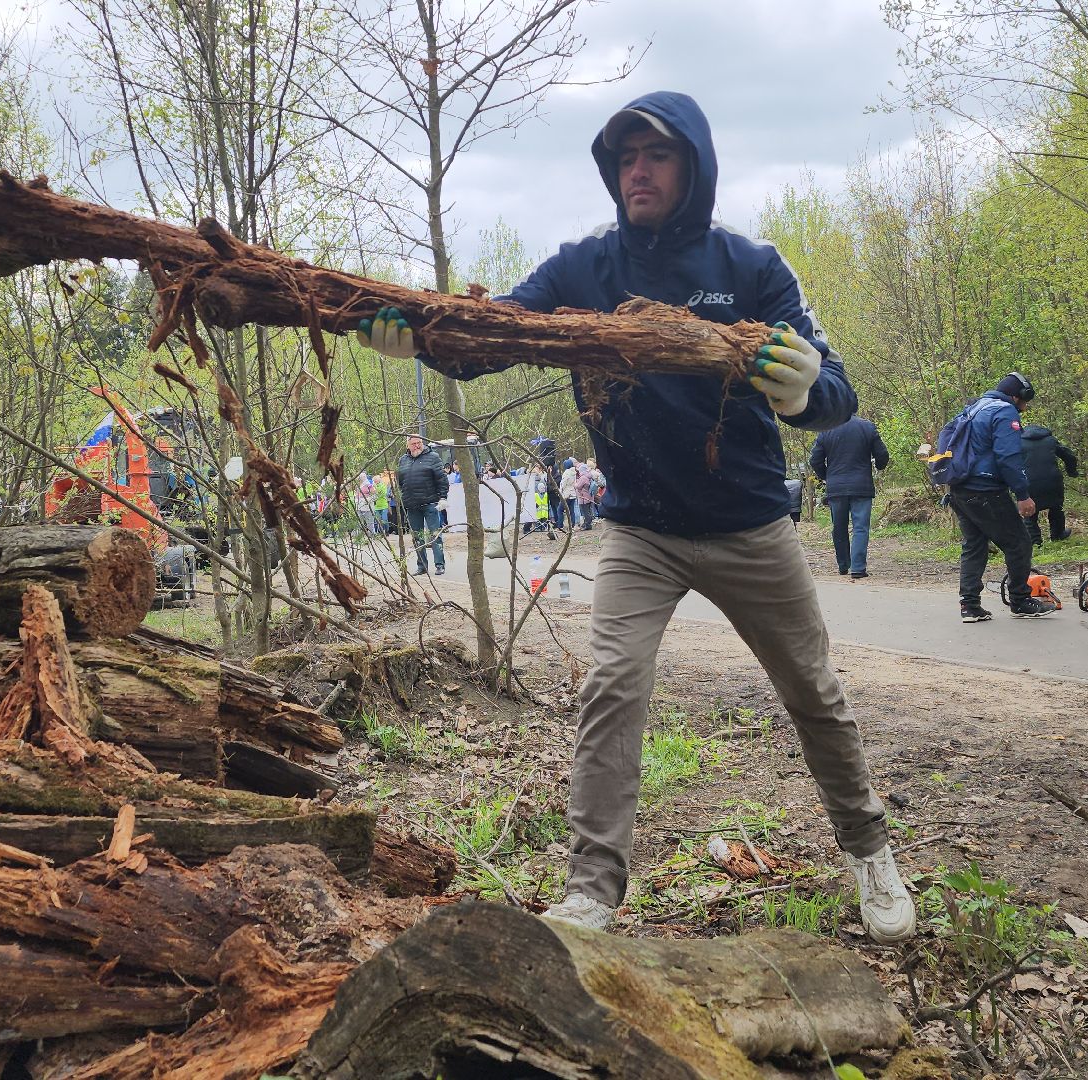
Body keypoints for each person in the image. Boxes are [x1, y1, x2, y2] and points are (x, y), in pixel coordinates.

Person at [353, 91, 914, 943]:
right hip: (640, 529)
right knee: (612, 688)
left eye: (655, 154)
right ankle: (591, 891)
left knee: (814, 690)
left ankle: (869, 850)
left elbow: (835, 390)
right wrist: (424, 340)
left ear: (694, 164)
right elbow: (493, 336)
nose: (637, 171)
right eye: (624, 159)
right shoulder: (584, 269)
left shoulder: (751, 266)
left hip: (749, 525)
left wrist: (806, 388)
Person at [942, 373, 1055, 623]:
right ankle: (1020, 600)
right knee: (1019, 542)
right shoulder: (1004, 412)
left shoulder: (974, 408)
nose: (1026, 407)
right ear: (1018, 396)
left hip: (959, 488)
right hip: (986, 489)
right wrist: (1023, 494)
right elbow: (1008, 457)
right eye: (1025, 401)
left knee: (974, 545)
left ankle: (969, 606)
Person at [809, 413, 890, 579]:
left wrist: (826, 476)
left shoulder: (826, 429)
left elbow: (815, 459)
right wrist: (880, 466)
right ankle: (858, 568)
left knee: (839, 528)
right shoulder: (867, 427)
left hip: (836, 487)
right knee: (860, 527)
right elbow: (882, 455)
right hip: (861, 486)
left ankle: (843, 565)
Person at [394, 433, 448, 576]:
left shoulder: (433, 457)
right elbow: (400, 482)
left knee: (435, 535)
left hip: (430, 503)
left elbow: (442, 479)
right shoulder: (403, 460)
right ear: (408, 445)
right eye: (414, 443)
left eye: (419, 443)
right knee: (417, 537)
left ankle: (440, 565)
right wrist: (401, 497)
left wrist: (443, 497)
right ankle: (422, 566)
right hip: (411, 505)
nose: (417, 446)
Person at [1019, 421, 1078, 548]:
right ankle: (1058, 534)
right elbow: (1069, 456)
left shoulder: (1018, 442)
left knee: (1030, 512)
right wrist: (1072, 472)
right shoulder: (1050, 440)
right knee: (1056, 507)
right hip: (1053, 480)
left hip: (1029, 482)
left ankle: (1035, 542)